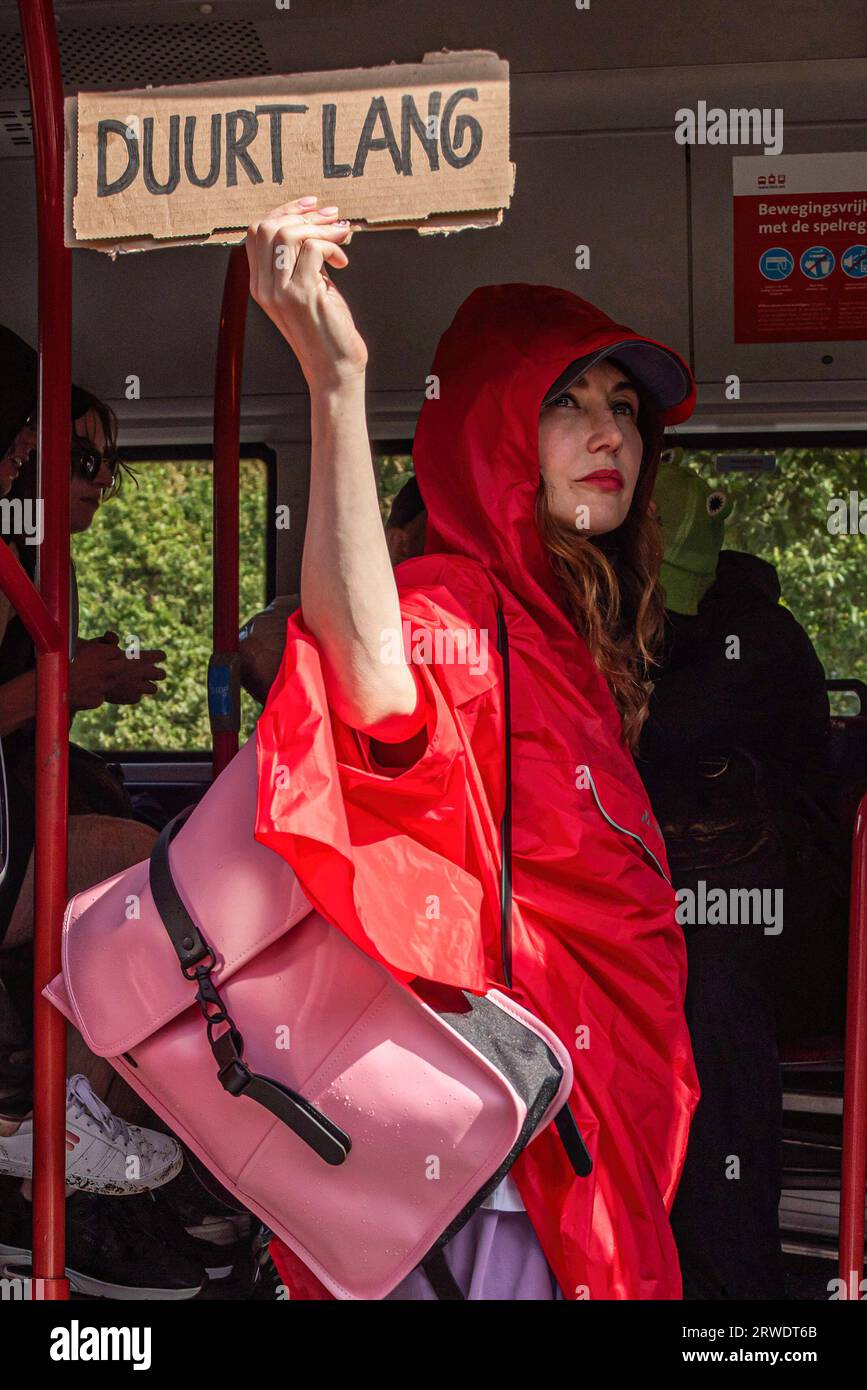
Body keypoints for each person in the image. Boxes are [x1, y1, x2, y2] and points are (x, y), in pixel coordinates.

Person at [245, 196, 700, 1300]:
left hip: (580, 1140)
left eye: (626, 409)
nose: (612, 435)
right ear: (497, 428)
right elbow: (369, 679)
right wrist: (335, 382)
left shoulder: (572, 644)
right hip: (504, 1174)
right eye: (570, 403)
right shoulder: (455, 603)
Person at [637, 455, 846, 1299]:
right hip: (684, 898)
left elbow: (642, 738)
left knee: (701, 990)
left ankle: (729, 1296)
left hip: (779, 919)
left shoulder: (749, 641)